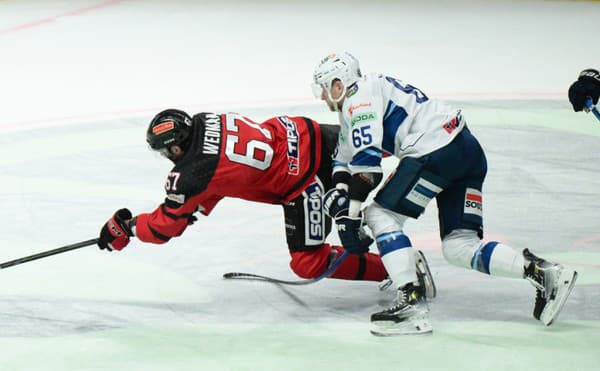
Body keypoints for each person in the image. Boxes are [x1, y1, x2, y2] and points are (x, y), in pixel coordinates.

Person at [312, 51, 578, 336]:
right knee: (459, 245)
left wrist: (351, 216)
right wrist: (340, 194)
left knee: (380, 214)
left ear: (339, 84)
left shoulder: (358, 100)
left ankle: (411, 302)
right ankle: (542, 272)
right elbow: (344, 159)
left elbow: (367, 172)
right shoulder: (364, 95)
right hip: (466, 151)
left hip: (435, 152)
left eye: (324, 88)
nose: (323, 97)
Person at [97, 109, 396, 287]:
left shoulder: (191, 174)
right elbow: (220, 179)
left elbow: (166, 228)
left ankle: (396, 268)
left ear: (176, 149)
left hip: (303, 182)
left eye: (165, 152)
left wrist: (129, 227)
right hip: (312, 134)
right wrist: (194, 207)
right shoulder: (204, 121)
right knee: (389, 145)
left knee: (308, 263)